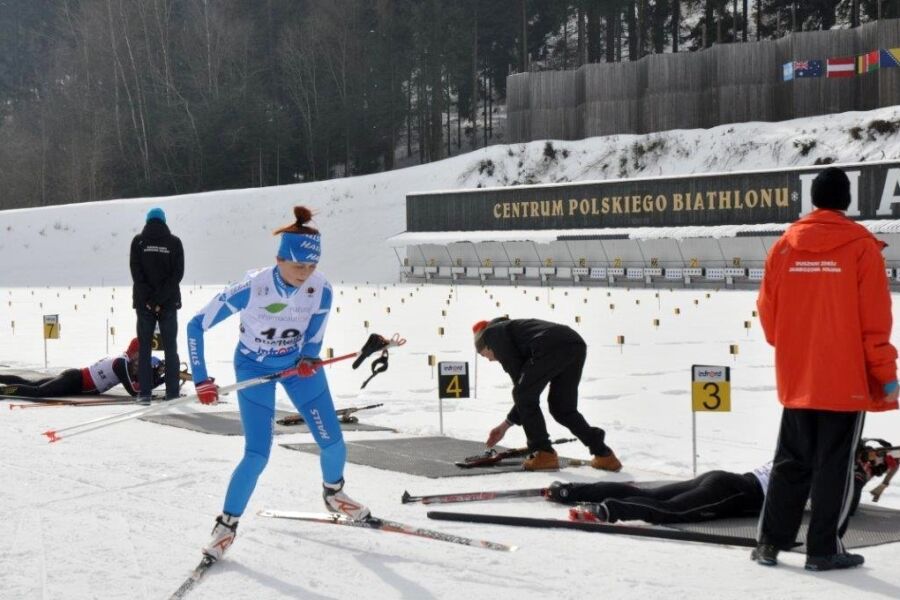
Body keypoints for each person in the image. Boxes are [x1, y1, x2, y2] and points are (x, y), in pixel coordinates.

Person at [186, 206, 367, 564]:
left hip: (296, 368)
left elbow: (314, 336)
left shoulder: (321, 290)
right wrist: (201, 378)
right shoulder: (252, 287)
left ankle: (334, 493)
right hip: (253, 368)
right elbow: (195, 326)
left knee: (333, 443)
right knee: (257, 454)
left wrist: (308, 358)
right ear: (280, 259)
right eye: (299, 265)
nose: (306, 273)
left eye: (312, 266)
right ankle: (226, 526)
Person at [753, 166, 899, 572]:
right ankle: (823, 550)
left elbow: (768, 311)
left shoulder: (784, 245)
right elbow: (875, 323)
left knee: (790, 460)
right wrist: (887, 377)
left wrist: (794, 348)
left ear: (813, 200)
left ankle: (769, 543)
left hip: (799, 375)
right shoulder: (861, 248)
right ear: (846, 202)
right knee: (834, 464)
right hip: (845, 379)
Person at [552, 440, 892, 526]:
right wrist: (862, 474)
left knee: (649, 493)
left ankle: (570, 492)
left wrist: (862, 470)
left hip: (723, 478)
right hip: (734, 492)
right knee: (671, 512)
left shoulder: (804, 448)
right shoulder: (827, 468)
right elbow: (841, 510)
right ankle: (606, 510)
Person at [473, 317, 622, 472]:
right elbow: (526, 392)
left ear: (486, 345)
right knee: (562, 408)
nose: (490, 360)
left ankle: (544, 453)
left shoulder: (492, 334)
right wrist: (506, 425)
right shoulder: (516, 335)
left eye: (484, 355)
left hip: (549, 345)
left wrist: (511, 417)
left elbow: (523, 392)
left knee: (524, 394)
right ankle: (604, 455)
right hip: (574, 343)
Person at [130, 206, 184, 404]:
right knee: (171, 348)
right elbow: (177, 275)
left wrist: (150, 301)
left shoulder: (138, 242)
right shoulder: (174, 242)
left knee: (145, 349)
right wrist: (160, 301)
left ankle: (144, 393)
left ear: (148, 221)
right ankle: (172, 394)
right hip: (168, 303)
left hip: (144, 305)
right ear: (163, 221)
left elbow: (136, 274)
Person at [0, 338, 165, 398]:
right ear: (135, 353)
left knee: (32, 383)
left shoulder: (126, 364)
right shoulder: (121, 364)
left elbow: (137, 385)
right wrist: (158, 380)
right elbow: (134, 392)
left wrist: (156, 379)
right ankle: (2, 391)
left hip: (75, 380)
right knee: (37, 392)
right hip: (75, 380)